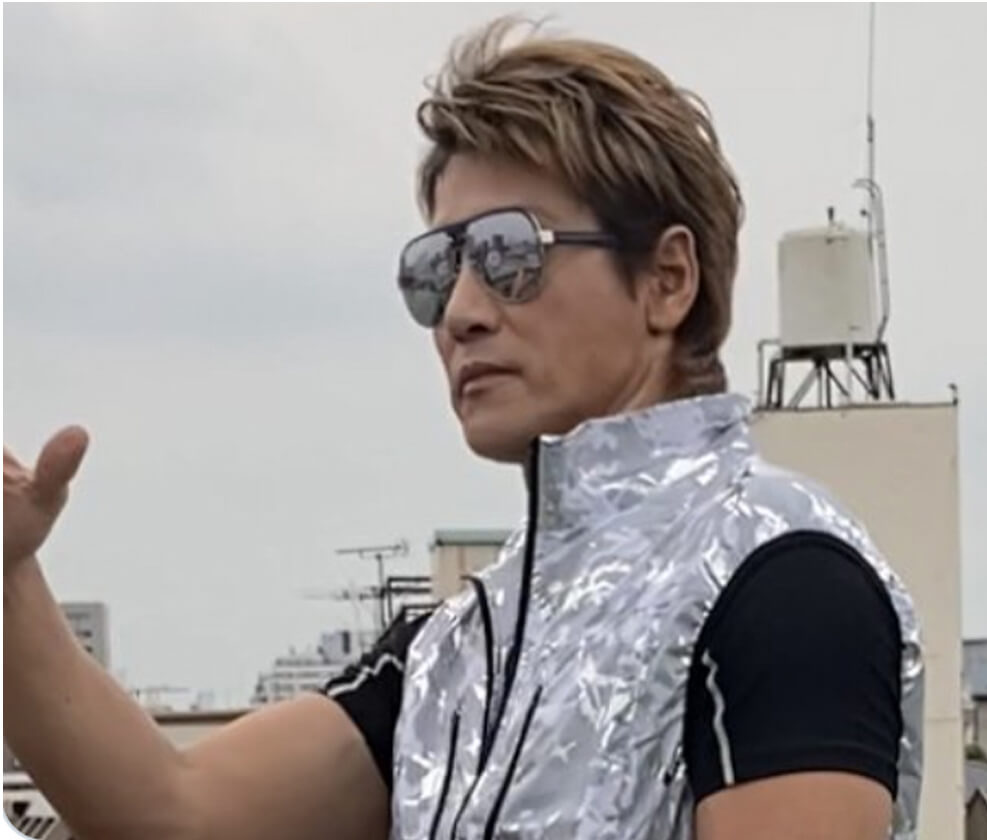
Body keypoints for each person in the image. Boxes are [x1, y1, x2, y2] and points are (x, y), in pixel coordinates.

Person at [3, 17, 923, 840]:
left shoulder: (784, 581)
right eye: (437, 271)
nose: (462, 312)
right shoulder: (461, 645)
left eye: (510, 254)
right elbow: (173, 811)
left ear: (667, 280)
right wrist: (8, 574)